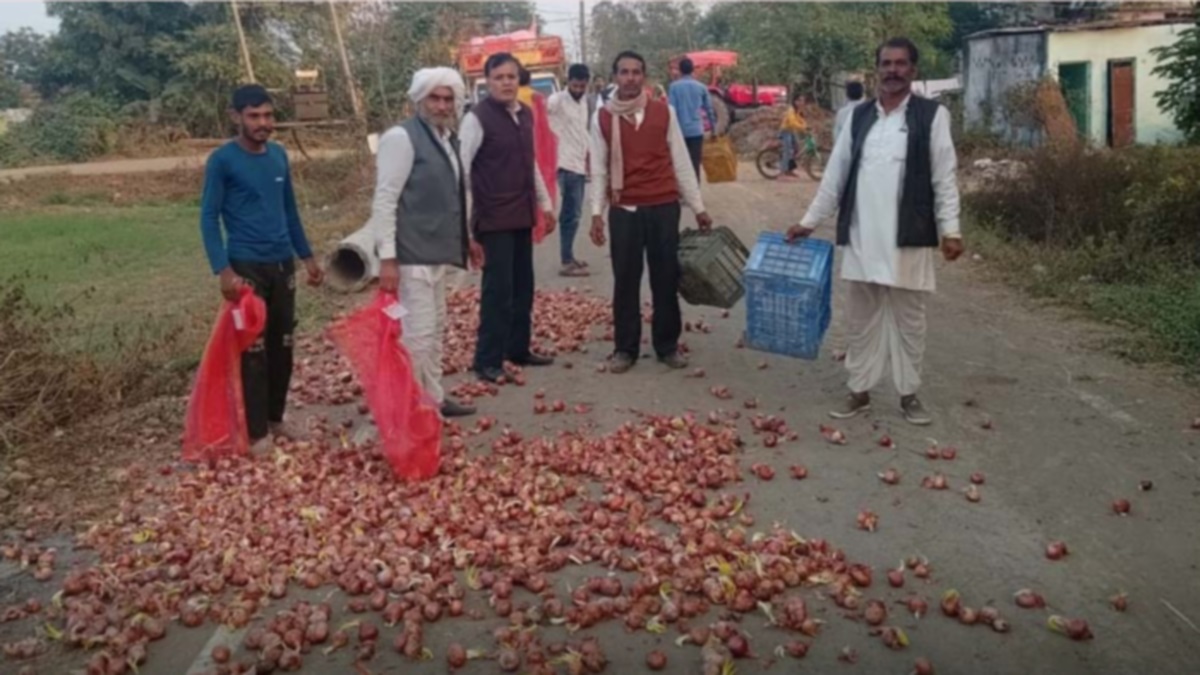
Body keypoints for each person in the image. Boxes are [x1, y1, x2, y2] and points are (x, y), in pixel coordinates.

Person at [790, 37, 964, 426]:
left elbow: (944, 177)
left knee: (909, 320)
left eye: (901, 64)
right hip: (862, 235)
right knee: (860, 319)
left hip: (909, 236)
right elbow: (834, 178)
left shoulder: (931, 116)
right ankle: (860, 391)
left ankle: (909, 395)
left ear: (913, 71)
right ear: (877, 70)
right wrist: (808, 222)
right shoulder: (858, 116)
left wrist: (951, 229)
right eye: (886, 64)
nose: (893, 70)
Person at [199, 84, 324, 452]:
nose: (263, 123)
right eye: (254, 116)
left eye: (268, 116)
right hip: (246, 267)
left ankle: (276, 418)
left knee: (282, 345)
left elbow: (289, 210)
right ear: (236, 116)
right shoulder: (223, 161)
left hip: (281, 263)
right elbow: (208, 217)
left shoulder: (279, 156)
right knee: (252, 352)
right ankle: (256, 433)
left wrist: (307, 257)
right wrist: (222, 270)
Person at [590, 50, 713, 374]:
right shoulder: (602, 117)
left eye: (636, 72)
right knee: (626, 280)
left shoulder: (664, 112)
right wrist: (595, 213)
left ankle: (667, 345)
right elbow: (600, 169)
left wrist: (698, 207)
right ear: (615, 76)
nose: (630, 78)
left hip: (662, 206)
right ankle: (625, 348)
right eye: (624, 72)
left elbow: (681, 162)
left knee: (665, 278)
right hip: (624, 208)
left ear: (644, 76)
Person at [366, 67, 477, 419]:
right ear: (419, 99)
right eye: (435, 97)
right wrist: (387, 259)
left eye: (448, 99)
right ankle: (406, 410)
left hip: (437, 253)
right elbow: (385, 200)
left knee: (436, 329)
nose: (442, 105)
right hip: (411, 255)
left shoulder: (445, 138)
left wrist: (467, 239)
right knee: (417, 336)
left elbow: (454, 195)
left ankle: (434, 397)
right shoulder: (402, 138)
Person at [460, 52, 557, 384]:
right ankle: (487, 359)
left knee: (522, 287)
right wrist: (466, 229)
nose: (506, 83)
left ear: (519, 80)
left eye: (511, 77)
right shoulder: (477, 118)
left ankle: (517, 348)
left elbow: (529, 163)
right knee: (497, 292)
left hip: (521, 213)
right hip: (493, 218)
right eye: (499, 77)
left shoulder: (525, 115)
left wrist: (545, 205)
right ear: (487, 81)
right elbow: (463, 173)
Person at [547, 63, 592, 277]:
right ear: (568, 81)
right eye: (575, 85)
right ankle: (566, 261)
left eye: (582, 86)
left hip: (579, 163)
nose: (578, 90)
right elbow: (540, 120)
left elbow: (583, 132)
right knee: (569, 215)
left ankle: (569, 255)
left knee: (574, 215)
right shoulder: (556, 101)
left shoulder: (584, 102)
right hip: (563, 165)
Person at [667, 57, 718, 180]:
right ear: (692, 70)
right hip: (696, 131)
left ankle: (682, 194)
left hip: (679, 132)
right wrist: (714, 130)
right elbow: (709, 110)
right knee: (695, 163)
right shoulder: (701, 87)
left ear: (680, 70)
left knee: (680, 165)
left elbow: (670, 110)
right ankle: (695, 194)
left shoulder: (674, 87)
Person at [778, 94, 809, 181]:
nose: (802, 102)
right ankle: (782, 173)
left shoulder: (797, 110)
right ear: (795, 102)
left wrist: (806, 126)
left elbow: (800, 120)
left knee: (796, 149)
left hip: (791, 131)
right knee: (788, 151)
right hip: (785, 131)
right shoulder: (790, 110)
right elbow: (792, 122)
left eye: (803, 100)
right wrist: (802, 127)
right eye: (800, 100)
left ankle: (789, 170)